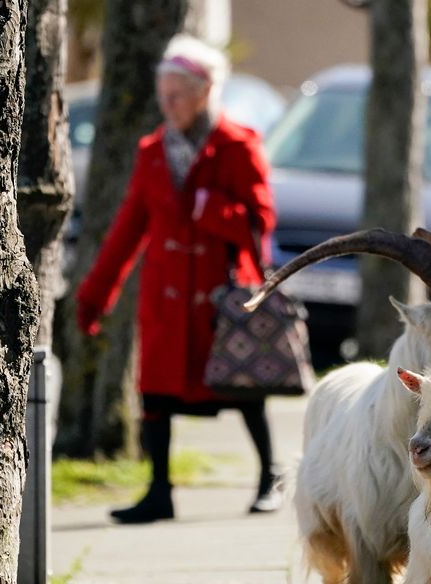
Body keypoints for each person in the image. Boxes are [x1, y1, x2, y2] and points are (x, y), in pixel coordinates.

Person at [75, 34, 281, 523]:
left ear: (205, 91)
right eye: (163, 95)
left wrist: (215, 211)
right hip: (166, 297)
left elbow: (261, 223)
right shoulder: (152, 151)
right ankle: (159, 491)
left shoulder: (237, 144)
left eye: (177, 95)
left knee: (243, 389)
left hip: (220, 297)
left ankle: (269, 476)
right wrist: (94, 295)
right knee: (157, 397)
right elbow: (128, 228)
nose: (167, 105)